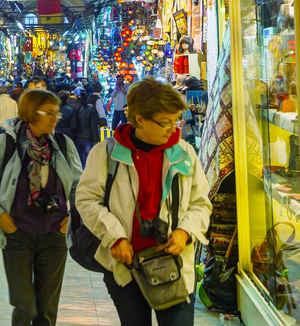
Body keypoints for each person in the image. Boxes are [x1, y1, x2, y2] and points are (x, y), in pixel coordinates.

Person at [75, 78, 212, 326]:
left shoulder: (184, 153)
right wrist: (114, 237)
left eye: (175, 121)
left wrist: (185, 231)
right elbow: (87, 200)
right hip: (126, 267)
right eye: (164, 122)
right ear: (139, 119)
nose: (172, 129)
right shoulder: (106, 154)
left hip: (174, 265)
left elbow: (200, 202)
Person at [0, 90, 83, 326]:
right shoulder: (7, 143)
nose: (55, 118)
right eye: (49, 113)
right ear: (31, 114)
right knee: (24, 306)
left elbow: (81, 186)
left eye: (56, 113)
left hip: (54, 236)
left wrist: (72, 217)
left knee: (46, 311)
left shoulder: (62, 145)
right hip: (18, 236)